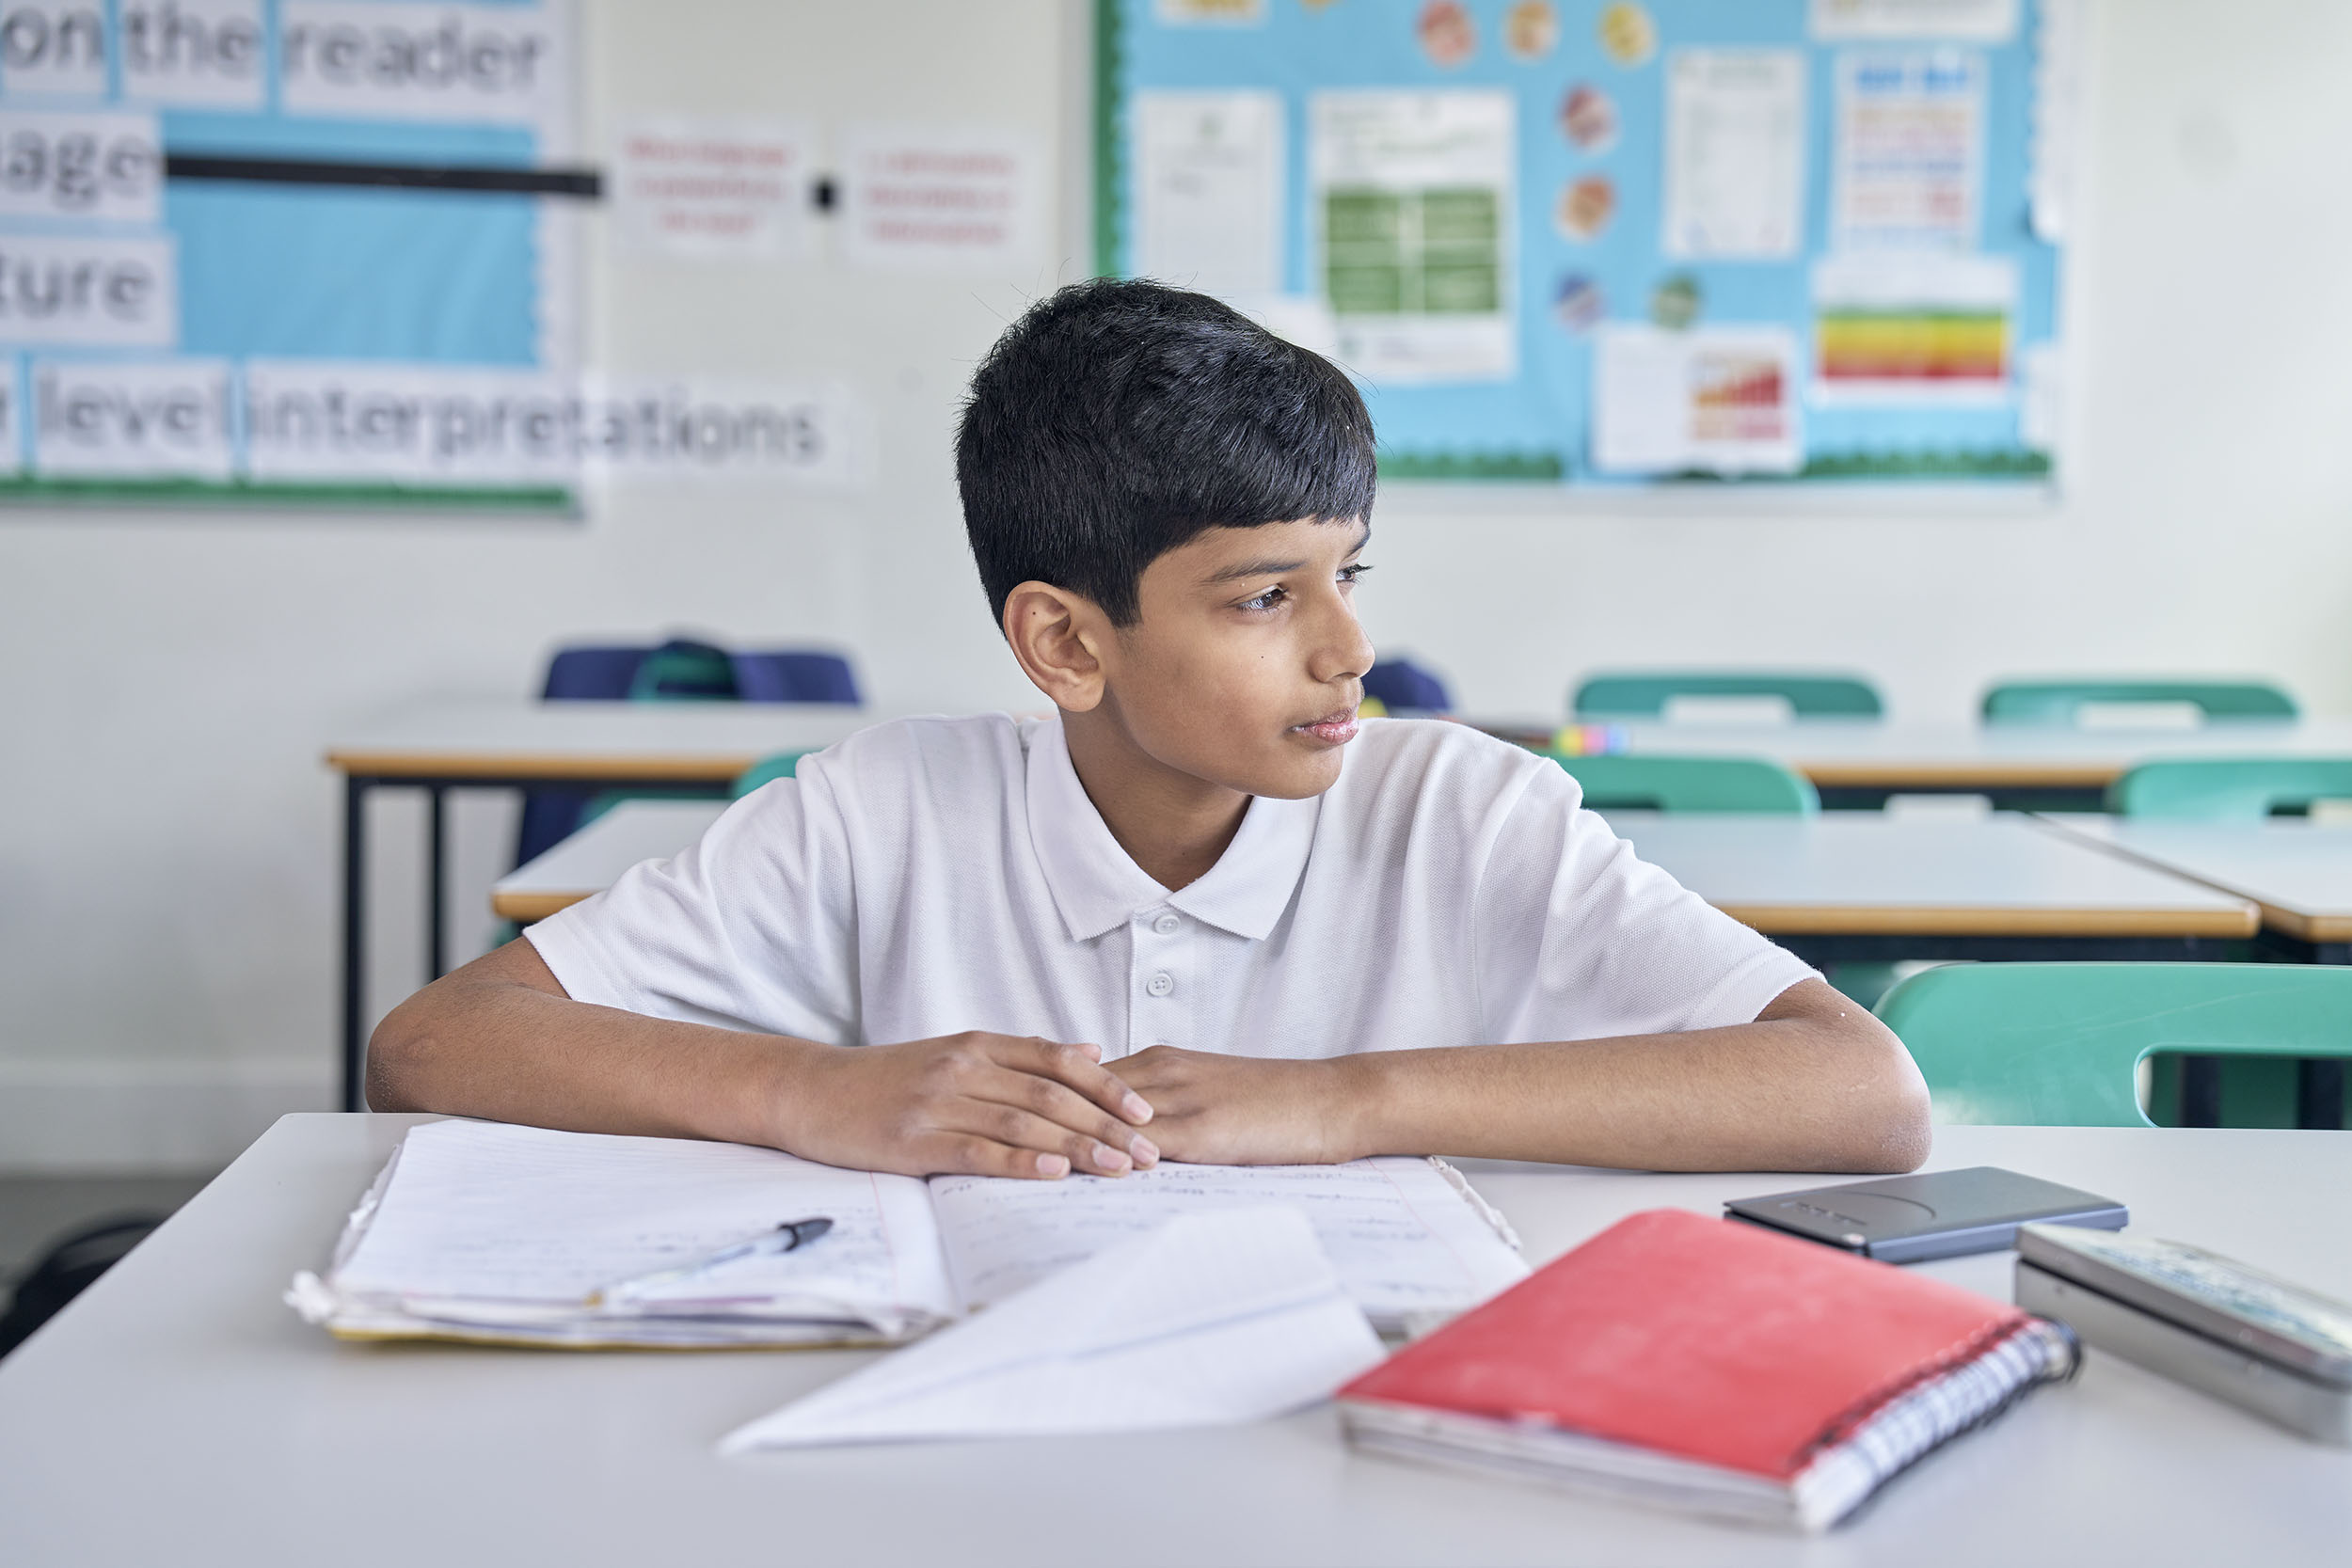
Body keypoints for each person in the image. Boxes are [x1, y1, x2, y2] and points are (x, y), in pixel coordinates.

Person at [370, 279, 1930, 1180]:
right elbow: (432, 1047)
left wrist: (1347, 1097)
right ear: (1064, 641)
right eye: (1263, 598)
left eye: (1347, 575)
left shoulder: (1463, 809)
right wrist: (808, 1090)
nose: (1350, 649)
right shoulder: (881, 814)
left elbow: (1862, 1094)